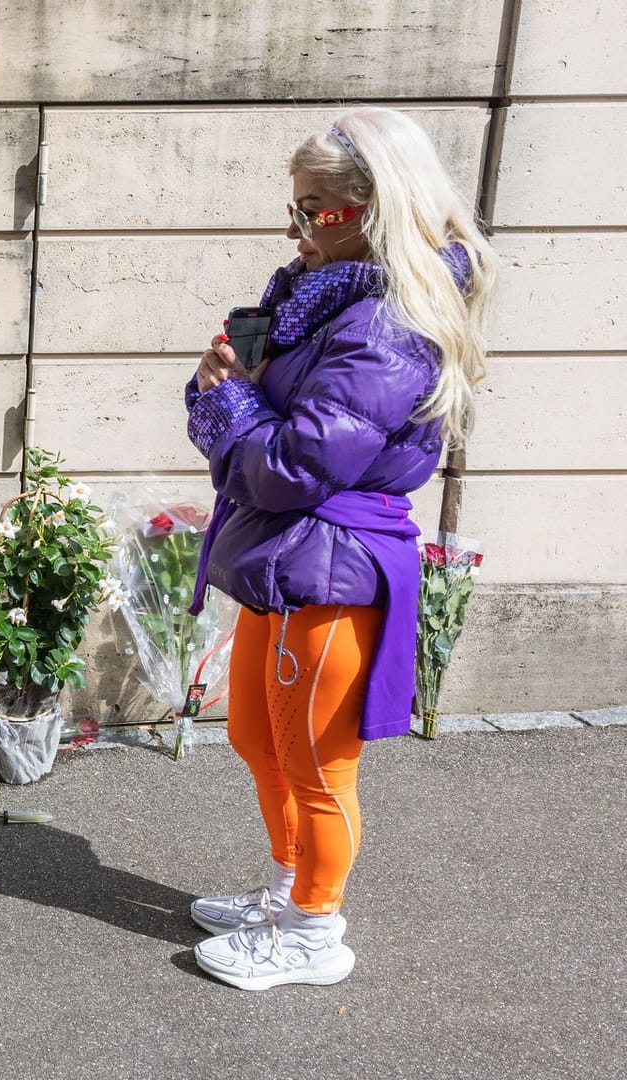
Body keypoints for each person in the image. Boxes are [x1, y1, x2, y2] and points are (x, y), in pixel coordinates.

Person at [181, 107, 497, 991]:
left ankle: (313, 931)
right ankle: (288, 889)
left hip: (331, 560)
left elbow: (298, 463)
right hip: (288, 557)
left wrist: (235, 407)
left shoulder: (392, 321)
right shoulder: (327, 298)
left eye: (315, 209)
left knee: (318, 765)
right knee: (254, 737)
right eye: (297, 208)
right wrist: (227, 384)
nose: (298, 228)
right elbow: (276, 439)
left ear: (375, 209)